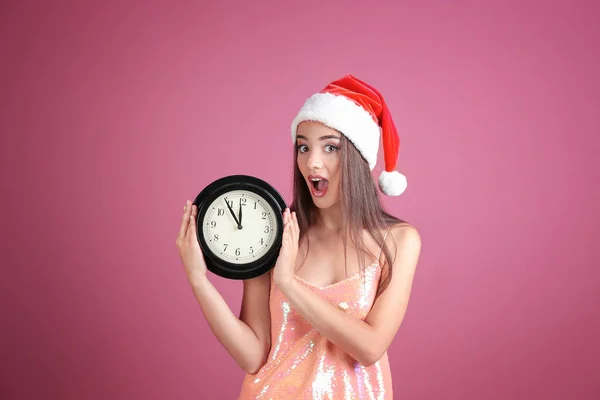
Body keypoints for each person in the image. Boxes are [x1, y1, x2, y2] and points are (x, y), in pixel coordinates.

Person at [176, 74, 422, 399]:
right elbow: (253, 356)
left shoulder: (399, 241)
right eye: (303, 146)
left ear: (359, 158)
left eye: (330, 147)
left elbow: (370, 348)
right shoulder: (276, 232)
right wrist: (198, 281)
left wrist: (289, 284)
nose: (312, 161)